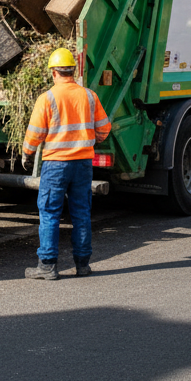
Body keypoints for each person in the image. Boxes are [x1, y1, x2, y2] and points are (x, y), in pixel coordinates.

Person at [22, 48, 111, 280]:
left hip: (56, 165)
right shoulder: (89, 96)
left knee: (50, 213)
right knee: (81, 213)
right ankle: (82, 265)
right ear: (73, 71)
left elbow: (35, 133)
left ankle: (48, 266)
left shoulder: (48, 98)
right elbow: (104, 129)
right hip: (82, 163)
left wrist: (27, 153)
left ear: (54, 72)